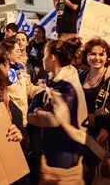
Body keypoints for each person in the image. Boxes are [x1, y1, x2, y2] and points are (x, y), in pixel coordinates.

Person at [28, 37, 87, 184]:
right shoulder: (51, 82)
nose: (42, 59)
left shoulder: (67, 86)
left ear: (52, 57)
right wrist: (37, 113)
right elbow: (29, 115)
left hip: (66, 154)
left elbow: (54, 120)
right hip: (51, 150)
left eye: (44, 55)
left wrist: (37, 112)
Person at [79, 37, 110, 184]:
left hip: (108, 143)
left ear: (107, 57)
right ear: (86, 55)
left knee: (103, 180)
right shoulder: (81, 75)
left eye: (101, 54)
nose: (97, 58)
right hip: (86, 139)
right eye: (92, 54)